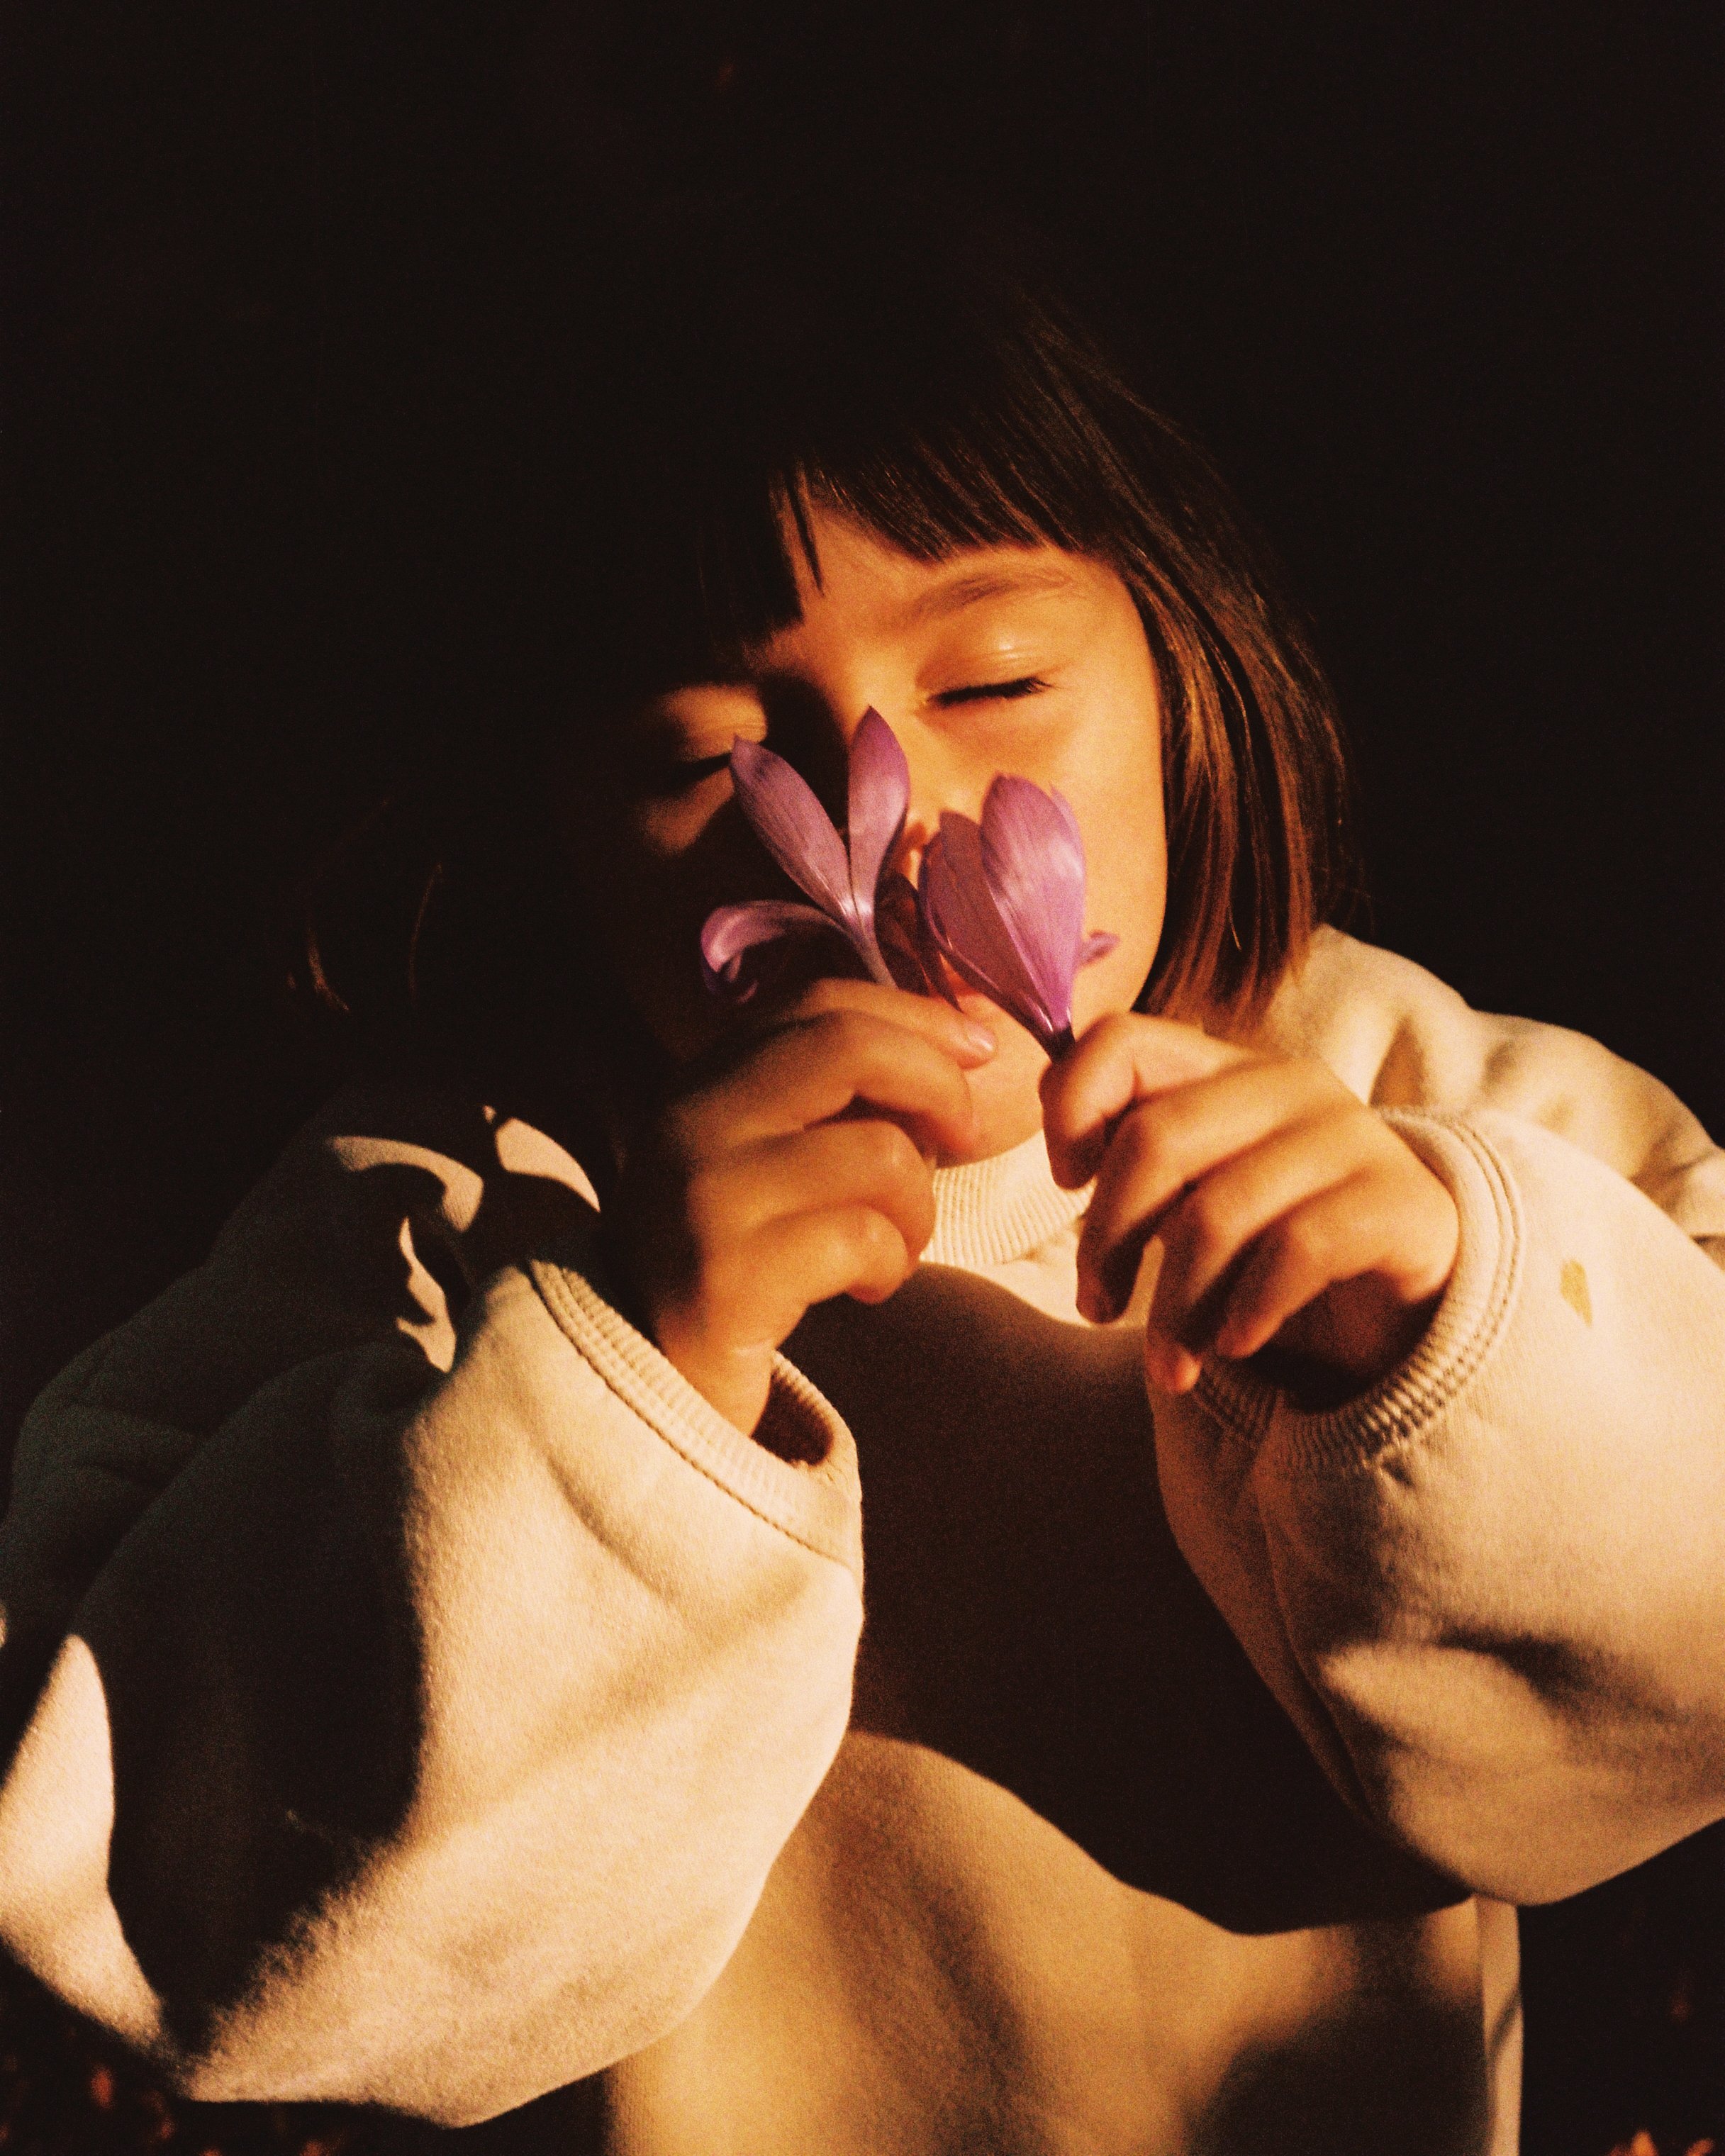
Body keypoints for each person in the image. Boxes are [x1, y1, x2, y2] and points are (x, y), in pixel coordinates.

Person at [2, 194, 1721, 2156]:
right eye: (711, 760)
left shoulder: (1412, 1097)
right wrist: (629, 1385)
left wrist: (1459, 1335)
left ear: (1185, 669)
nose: (888, 839)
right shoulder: (446, 1220)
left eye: (990, 683)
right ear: (549, 830)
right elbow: (159, 1878)